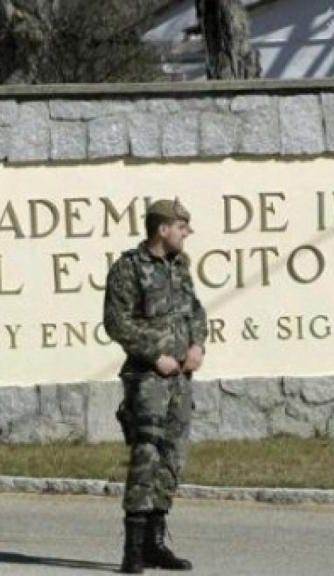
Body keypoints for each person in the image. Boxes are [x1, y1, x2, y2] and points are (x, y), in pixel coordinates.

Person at [103, 198, 208, 574]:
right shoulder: (128, 268)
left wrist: (197, 344)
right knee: (145, 456)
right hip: (148, 379)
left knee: (172, 457)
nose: (186, 234)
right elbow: (117, 322)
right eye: (182, 227)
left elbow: (195, 311)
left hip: (181, 378)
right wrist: (154, 354)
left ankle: (155, 543)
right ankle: (132, 549)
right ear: (163, 229)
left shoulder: (180, 268)